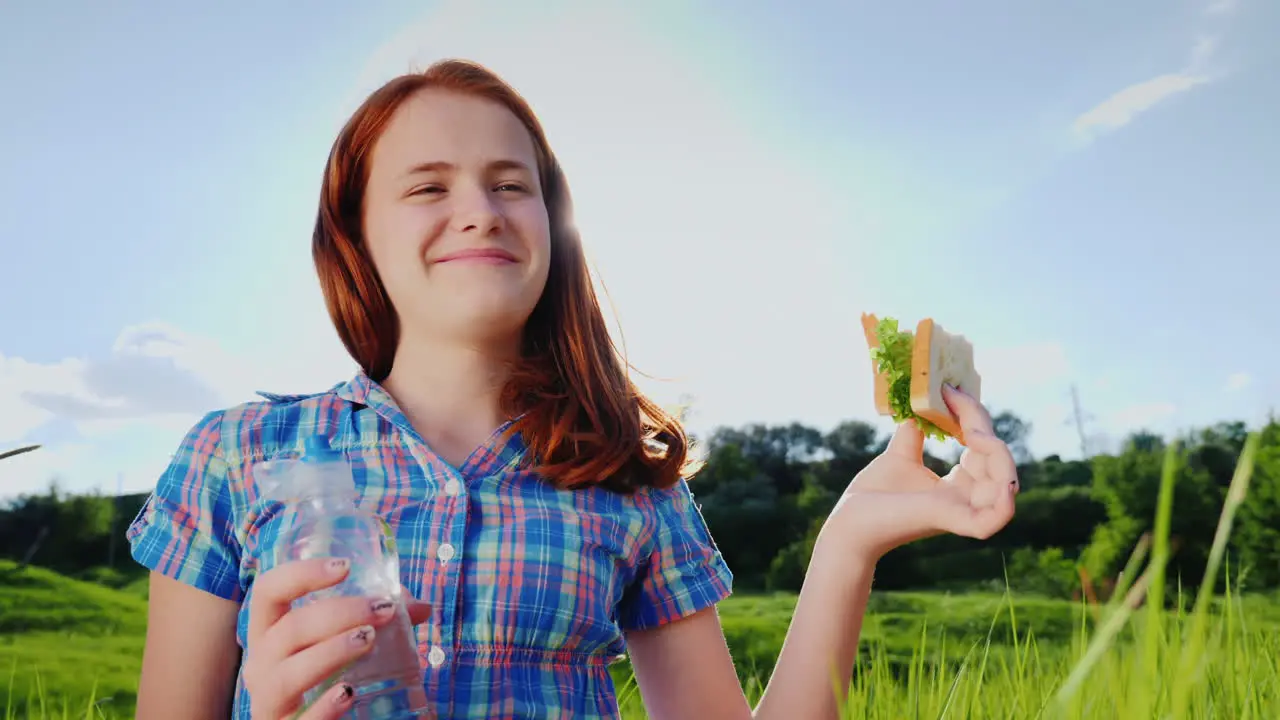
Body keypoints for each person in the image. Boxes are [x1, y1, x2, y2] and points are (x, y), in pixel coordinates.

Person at [126, 58, 1020, 720]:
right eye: (428, 186)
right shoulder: (235, 456)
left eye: (511, 185)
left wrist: (849, 543)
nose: (479, 208)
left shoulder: (629, 486)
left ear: (554, 231)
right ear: (355, 240)